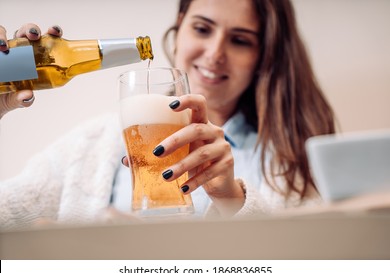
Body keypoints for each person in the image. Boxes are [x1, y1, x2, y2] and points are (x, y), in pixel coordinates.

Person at [0, 0, 335, 229]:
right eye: (203, 29)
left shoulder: (291, 159)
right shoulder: (90, 146)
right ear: (179, 29)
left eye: (240, 40)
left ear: (264, 54)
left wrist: (234, 200)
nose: (215, 54)